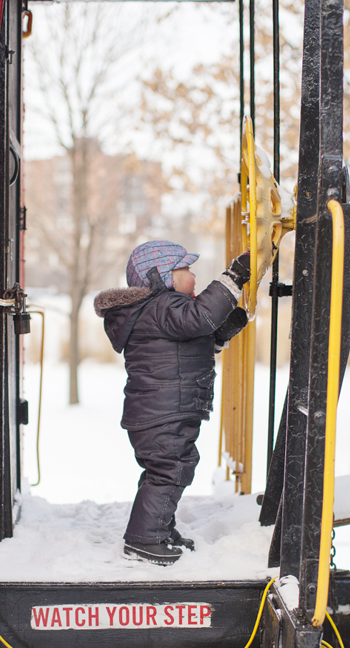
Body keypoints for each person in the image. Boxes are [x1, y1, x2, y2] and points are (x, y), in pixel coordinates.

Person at [94, 239, 250, 565]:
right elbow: (201, 318)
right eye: (187, 270)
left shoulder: (164, 311)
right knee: (170, 470)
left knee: (166, 469)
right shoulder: (163, 306)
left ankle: (160, 529)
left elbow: (204, 333)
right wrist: (231, 279)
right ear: (164, 277)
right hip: (164, 412)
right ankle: (144, 539)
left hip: (164, 410)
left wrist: (232, 321)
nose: (193, 276)